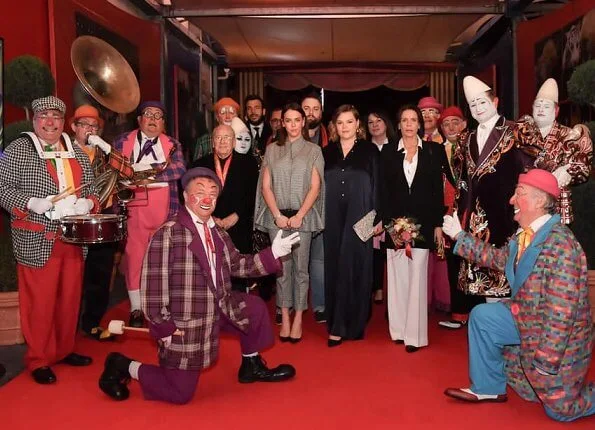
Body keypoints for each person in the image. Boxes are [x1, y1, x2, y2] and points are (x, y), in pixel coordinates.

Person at [98, 167, 299, 404]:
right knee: (179, 393)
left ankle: (251, 365)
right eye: (200, 191)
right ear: (185, 196)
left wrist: (272, 253)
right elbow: (153, 287)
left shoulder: (217, 233)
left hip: (218, 306)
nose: (207, 198)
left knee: (253, 308)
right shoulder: (168, 233)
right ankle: (122, 365)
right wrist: (164, 327)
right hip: (187, 318)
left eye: (213, 194)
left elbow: (238, 265)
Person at [442, 169, 595, 422]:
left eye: (519, 193)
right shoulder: (525, 236)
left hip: (559, 342)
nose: (512, 200)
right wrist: (460, 237)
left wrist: (546, 363)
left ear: (539, 201)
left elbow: (562, 314)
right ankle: (488, 387)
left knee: (561, 411)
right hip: (527, 319)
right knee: (483, 316)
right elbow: (501, 258)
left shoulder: (561, 245)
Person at [0, 96, 100, 384]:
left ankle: (64, 349)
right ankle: (39, 358)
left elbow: (92, 188)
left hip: (72, 238)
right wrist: (29, 202)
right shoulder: (18, 148)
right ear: (34, 120)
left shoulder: (76, 151)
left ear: (63, 122)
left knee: (69, 298)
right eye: (44, 116)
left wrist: (88, 204)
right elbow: (2, 185)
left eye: (55, 117)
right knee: (40, 302)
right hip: (36, 237)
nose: (50, 122)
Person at [453, 76, 533, 303]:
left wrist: (525, 214)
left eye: (482, 102)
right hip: (476, 221)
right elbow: (463, 182)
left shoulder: (514, 131)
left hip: (508, 218)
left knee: (508, 284)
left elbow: (531, 173)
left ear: (495, 102)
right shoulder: (465, 139)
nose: (478, 108)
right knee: (485, 290)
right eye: (473, 105)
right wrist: (459, 216)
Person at [254, 103, 324, 343]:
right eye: (288, 120)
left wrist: (300, 215)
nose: (293, 125)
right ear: (282, 123)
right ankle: (284, 314)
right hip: (278, 218)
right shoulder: (272, 150)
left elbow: (315, 187)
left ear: (303, 122)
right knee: (282, 269)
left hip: (302, 218)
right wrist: (276, 215)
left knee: (301, 269)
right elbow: (266, 186)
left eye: (297, 120)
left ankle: (299, 318)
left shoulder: (314, 151)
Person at [112, 101, 186, 327]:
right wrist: (132, 175)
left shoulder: (172, 144)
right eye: (148, 114)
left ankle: (162, 305)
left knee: (163, 259)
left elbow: (179, 168)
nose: (153, 119)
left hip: (164, 208)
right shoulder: (122, 141)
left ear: (163, 123)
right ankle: (136, 307)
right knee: (135, 258)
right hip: (133, 208)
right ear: (139, 119)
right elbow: (112, 168)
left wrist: (148, 174)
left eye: (158, 116)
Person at [379, 105, 444, 352]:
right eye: (404, 120)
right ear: (398, 125)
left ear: (420, 124)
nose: (408, 124)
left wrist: (438, 223)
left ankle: (415, 336)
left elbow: (437, 191)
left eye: (413, 120)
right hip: (395, 224)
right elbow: (382, 191)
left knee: (417, 278)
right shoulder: (387, 152)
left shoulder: (433, 151)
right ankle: (398, 330)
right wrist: (387, 223)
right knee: (396, 278)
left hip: (424, 223)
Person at [69, 105, 134, 341]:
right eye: (84, 124)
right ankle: (69, 326)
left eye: (94, 126)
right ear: (74, 127)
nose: (89, 129)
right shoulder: (65, 150)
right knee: (75, 277)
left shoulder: (104, 152)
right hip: (73, 217)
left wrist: (107, 148)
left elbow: (128, 173)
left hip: (102, 216)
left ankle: (93, 323)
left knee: (101, 273)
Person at [323, 104, 379, 347]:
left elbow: (380, 186)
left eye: (349, 122)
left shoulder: (370, 151)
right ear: (335, 127)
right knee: (335, 266)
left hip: (362, 216)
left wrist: (378, 220)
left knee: (357, 266)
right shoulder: (325, 153)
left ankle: (355, 324)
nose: (344, 127)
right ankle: (336, 324)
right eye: (340, 122)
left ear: (358, 124)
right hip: (332, 217)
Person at [515, 78, 592, 224]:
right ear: (532, 109)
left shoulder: (569, 135)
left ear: (556, 111)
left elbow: (583, 168)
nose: (541, 110)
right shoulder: (523, 134)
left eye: (546, 106)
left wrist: (567, 172)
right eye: (538, 106)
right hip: (525, 201)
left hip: (555, 204)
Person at [192, 123, 259, 292]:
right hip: (207, 224)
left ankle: (237, 309)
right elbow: (192, 195)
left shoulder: (248, 163)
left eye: (227, 137)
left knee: (237, 273)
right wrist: (209, 217)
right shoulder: (200, 165)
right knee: (209, 270)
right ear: (212, 142)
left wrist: (236, 216)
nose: (222, 141)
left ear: (234, 142)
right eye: (218, 138)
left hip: (239, 224)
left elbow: (253, 195)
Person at [301, 93, 328, 324]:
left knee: (318, 261)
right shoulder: (285, 140)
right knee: (292, 262)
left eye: (315, 108)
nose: (311, 112)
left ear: (321, 113)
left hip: (321, 209)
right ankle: (292, 306)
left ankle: (320, 304)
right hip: (293, 209)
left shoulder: (332, 139)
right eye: (306, 108)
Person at [366, 110, 397, 305]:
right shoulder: (362, 148)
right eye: (370, 122)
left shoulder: (396, 147)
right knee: (372, 250)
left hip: (393, 205)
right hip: (369, 205)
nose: (375, 125)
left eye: (379, 121)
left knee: (392, 249)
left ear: (387, 123)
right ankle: (375, 287)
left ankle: (391, 291)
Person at [244, 94, 272, 159]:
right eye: (249, 108)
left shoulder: (271, 131)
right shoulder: (240, 132)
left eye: (257, 108)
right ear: (246, 112)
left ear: (264, 111)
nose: (253, 112)